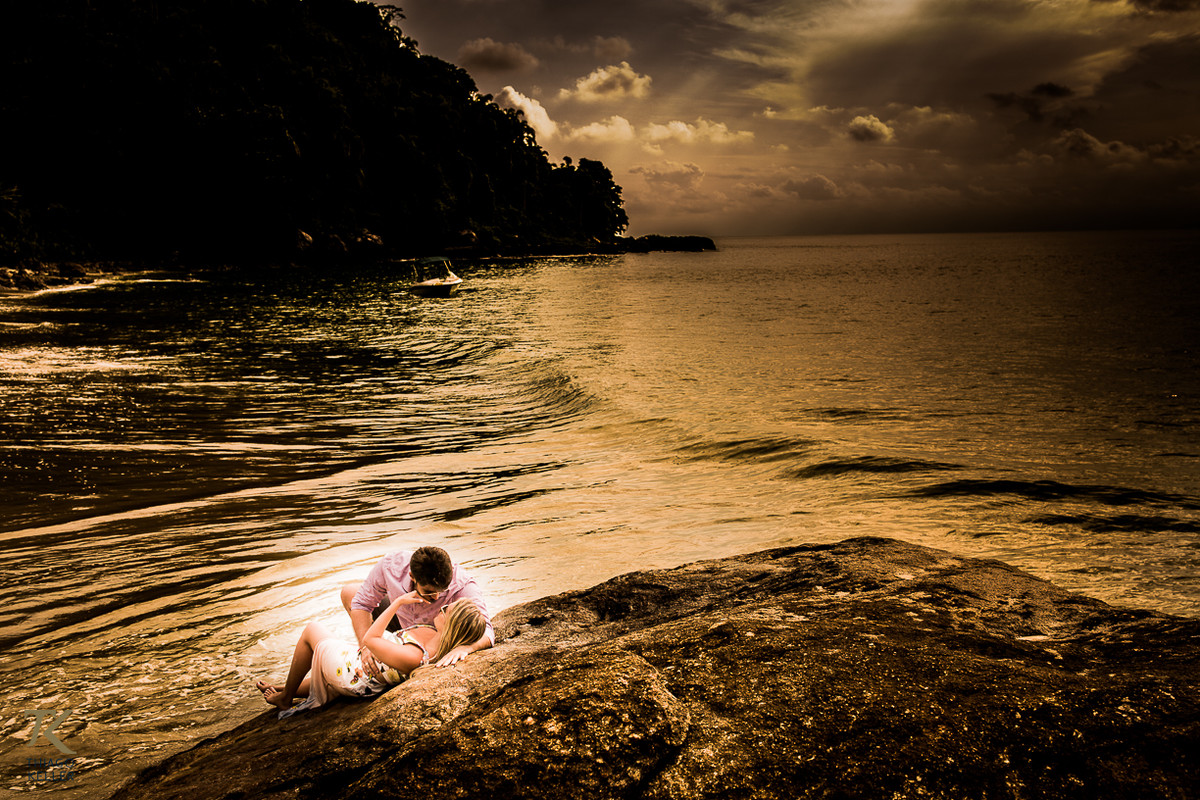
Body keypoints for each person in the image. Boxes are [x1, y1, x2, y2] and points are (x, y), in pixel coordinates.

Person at [256, 594, 488, 718]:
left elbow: (370, 640)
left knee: (312, 630)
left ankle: (286, 697)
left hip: (353, 678)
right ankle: (285, 688)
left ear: (453, 626)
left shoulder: (416, 656)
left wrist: (396, 603)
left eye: (449, 610)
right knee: (333, 648)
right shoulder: (432, 636)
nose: (444, 607)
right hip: (360, 670)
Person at [341, 546, 493, 678]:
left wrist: (466, 648)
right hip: (401, 621)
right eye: (429, 592)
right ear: (412, 577)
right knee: (349, 592)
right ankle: (382, 649)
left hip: (430, 637)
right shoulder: (391, 566)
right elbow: (362, 602)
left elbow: (486, 628)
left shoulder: (463, 584)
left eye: (442, 591)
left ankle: (395, 653)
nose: (437, 597)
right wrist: (366, 648)